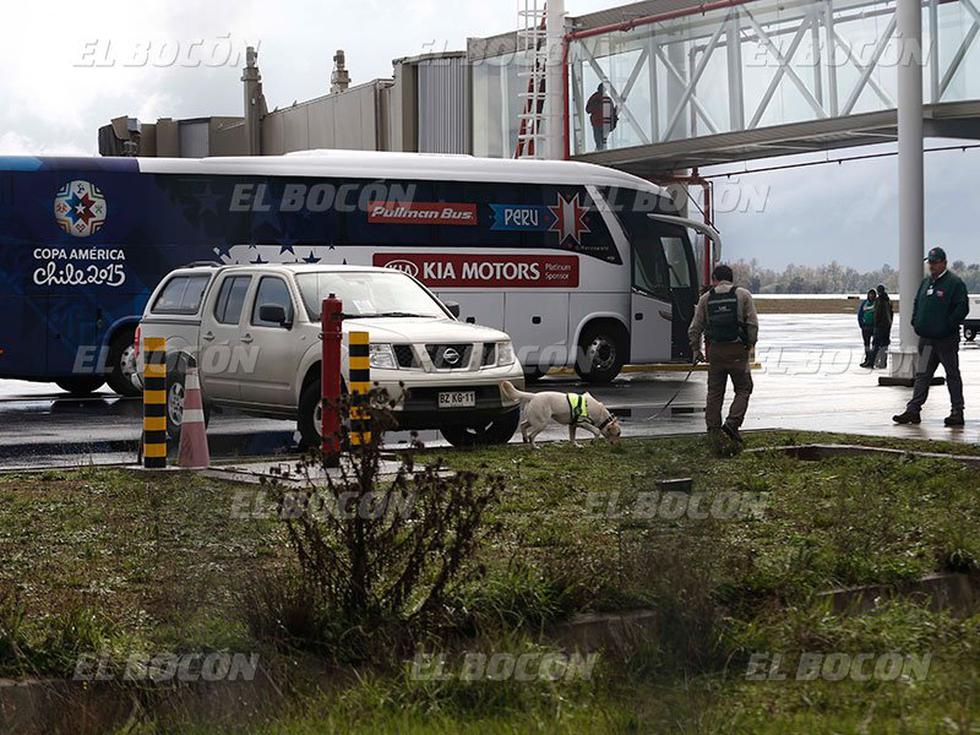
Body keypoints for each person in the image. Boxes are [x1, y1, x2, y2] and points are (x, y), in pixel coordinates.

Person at [893, 247, 969, 427]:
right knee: (922, 375)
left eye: (935, 263)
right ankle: (913, 410)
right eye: (930, 263)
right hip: (926, 340)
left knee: (952, 374)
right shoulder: (926, 283)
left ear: (944, 263)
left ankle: (957, 411)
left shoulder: (954, 283)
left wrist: (947, 325)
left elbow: (962, 308)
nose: (932, 266)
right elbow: (917, 302)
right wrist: (915, 321)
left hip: (945, 341)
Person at [689, 264, 759, 446]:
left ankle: (713, 430)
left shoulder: (705, 299)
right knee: (744, 388)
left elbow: (694, 328)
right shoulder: (743, 295)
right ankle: (732, 424)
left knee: (714, 392)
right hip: (737, 349)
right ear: (731, 278)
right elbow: (752, 324)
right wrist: (750, 344)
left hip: (715, 351)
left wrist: (697, 351)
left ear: (714, 279)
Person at [585, 83, 618, 151]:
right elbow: (612, 112)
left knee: (599, 142)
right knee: (604, 141)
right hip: (607, 124)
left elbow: (588, 110)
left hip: (597, 123)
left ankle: (599, 153)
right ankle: (603, 152)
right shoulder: (608, 99)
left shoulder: (594, 98)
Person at [870, 283, 893, 368]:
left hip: (880, 326)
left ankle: (873, 361)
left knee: (876, 344)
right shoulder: (888, 300)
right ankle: (883, 362)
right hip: (887, 325)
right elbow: (891, 313)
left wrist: (875, 324)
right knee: (884, 344)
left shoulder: (879, 301)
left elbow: (877, 314)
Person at [858, 288, 877, 367]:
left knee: (875, 344)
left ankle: (872, 359)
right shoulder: (865, 303)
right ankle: (867, 358)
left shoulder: (876, 303)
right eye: (870, 294)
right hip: (865, 327)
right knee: (866, 344)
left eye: (873, 294)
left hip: (874, 327)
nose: (871, 296)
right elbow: (860, 314)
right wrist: (861, 324)